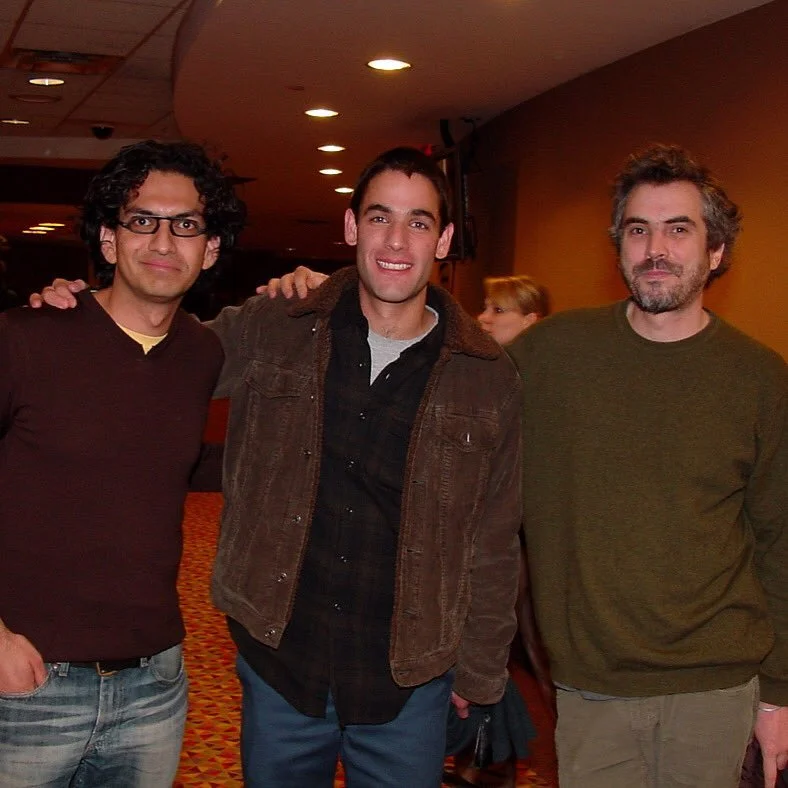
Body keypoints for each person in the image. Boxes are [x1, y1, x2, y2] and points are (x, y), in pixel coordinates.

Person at [202, 146, 523, 787]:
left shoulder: (486, 377)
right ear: (352, 227)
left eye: (420, 222)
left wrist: (480, 670)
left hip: (407, 680)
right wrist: (78, 312)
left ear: (445, 239)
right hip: (282, 661)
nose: (397, 240)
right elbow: (155, 357)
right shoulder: (278, 326)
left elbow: (493, 537)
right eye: (379, 218)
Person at [515, 144, 788, 788]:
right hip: (589, 689)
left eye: (678, 229)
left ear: (716, 251)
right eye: (638, 230)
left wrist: (778, 695)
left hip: (718, 690)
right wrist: (326, 290)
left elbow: (781, 544)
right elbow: (435, 363)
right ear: (619, 248)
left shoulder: (760, 379)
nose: (654, 248)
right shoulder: (549, 356)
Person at [1, 139, 245, 786]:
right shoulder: (25, 339)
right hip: (25, 684)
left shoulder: (201, 354)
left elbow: (159, 460)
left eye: (186, 225)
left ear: (210, 248)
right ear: (109, 240)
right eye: (142, 221)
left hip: (155, 687)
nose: (164, 242)